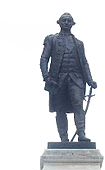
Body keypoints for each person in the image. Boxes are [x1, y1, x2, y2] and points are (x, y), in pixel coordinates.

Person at [40, 13, 97, 142]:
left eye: (69, 21)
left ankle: (81, 134)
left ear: (72, 24)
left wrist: (90, 80)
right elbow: (44, 58)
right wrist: (46, 77)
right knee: (60, 109)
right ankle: (64, 138)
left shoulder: (79, 43)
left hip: (76, 79)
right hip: (57, 80)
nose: (66, 22)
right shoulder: (51, 39)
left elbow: (84, 63)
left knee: (78, 104)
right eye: (64, 20)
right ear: (59, 22)